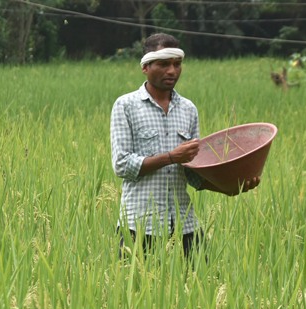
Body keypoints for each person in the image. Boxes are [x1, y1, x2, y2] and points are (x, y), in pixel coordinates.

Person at [110, 32, 260, 259]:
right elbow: (122, 165)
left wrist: (230, 187)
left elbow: (193, 172)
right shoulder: (126, 106)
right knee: (139, 289)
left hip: (184, 221)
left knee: (204, 283)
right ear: (145, 67)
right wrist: (171, 157)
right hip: (140, 223)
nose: (172, 71)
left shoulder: (188, 109)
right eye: (163, 64)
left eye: (177, 64)